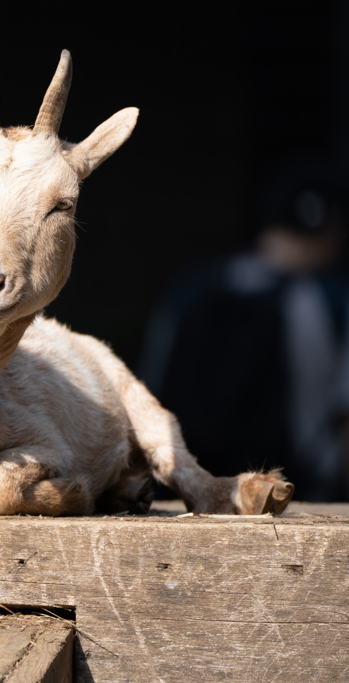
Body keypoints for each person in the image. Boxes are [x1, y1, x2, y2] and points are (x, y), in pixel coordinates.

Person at [140, 153, 349, 501]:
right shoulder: (327, 302)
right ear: (332, 231)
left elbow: (150, 390)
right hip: (295, 495)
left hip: (191, 492)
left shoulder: (194, 289)